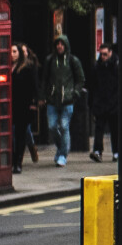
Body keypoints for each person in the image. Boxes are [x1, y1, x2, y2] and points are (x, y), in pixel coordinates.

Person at [40, 35, 86, 167]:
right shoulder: (49, 60)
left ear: (66, 45)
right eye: (57, 44)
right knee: (52, 127)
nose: (59, 46)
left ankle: (62, 156)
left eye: (62, 44)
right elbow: (44, 79)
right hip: (52, 100)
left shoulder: (73, 60)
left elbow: (80, 79)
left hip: (67, 100)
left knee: (64, 127)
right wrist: (42, 96)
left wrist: (75, 93)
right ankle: (62, 149)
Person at [9, 42, 39, 172]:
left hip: (23, 106)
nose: (12, 54)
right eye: (10, 52)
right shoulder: (6, 67)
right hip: (9, 107)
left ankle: (18, 163)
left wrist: (34, 104)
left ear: (20, 53)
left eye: (15, 51)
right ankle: (11, 162)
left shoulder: (27, 68)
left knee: (20, 136)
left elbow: (34, 86)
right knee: (11, 136)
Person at [88, 43, 119, 162]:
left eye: (105, 54)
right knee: (99, 128)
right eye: (101, 54)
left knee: (114, 129)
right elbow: (93, 85)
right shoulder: (97, 66)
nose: (103, 57)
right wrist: (92, 103)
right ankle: (97, 151)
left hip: (113, 102)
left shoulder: (116, 65)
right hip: (101, 102)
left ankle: (116, 152)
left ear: (111, 53)